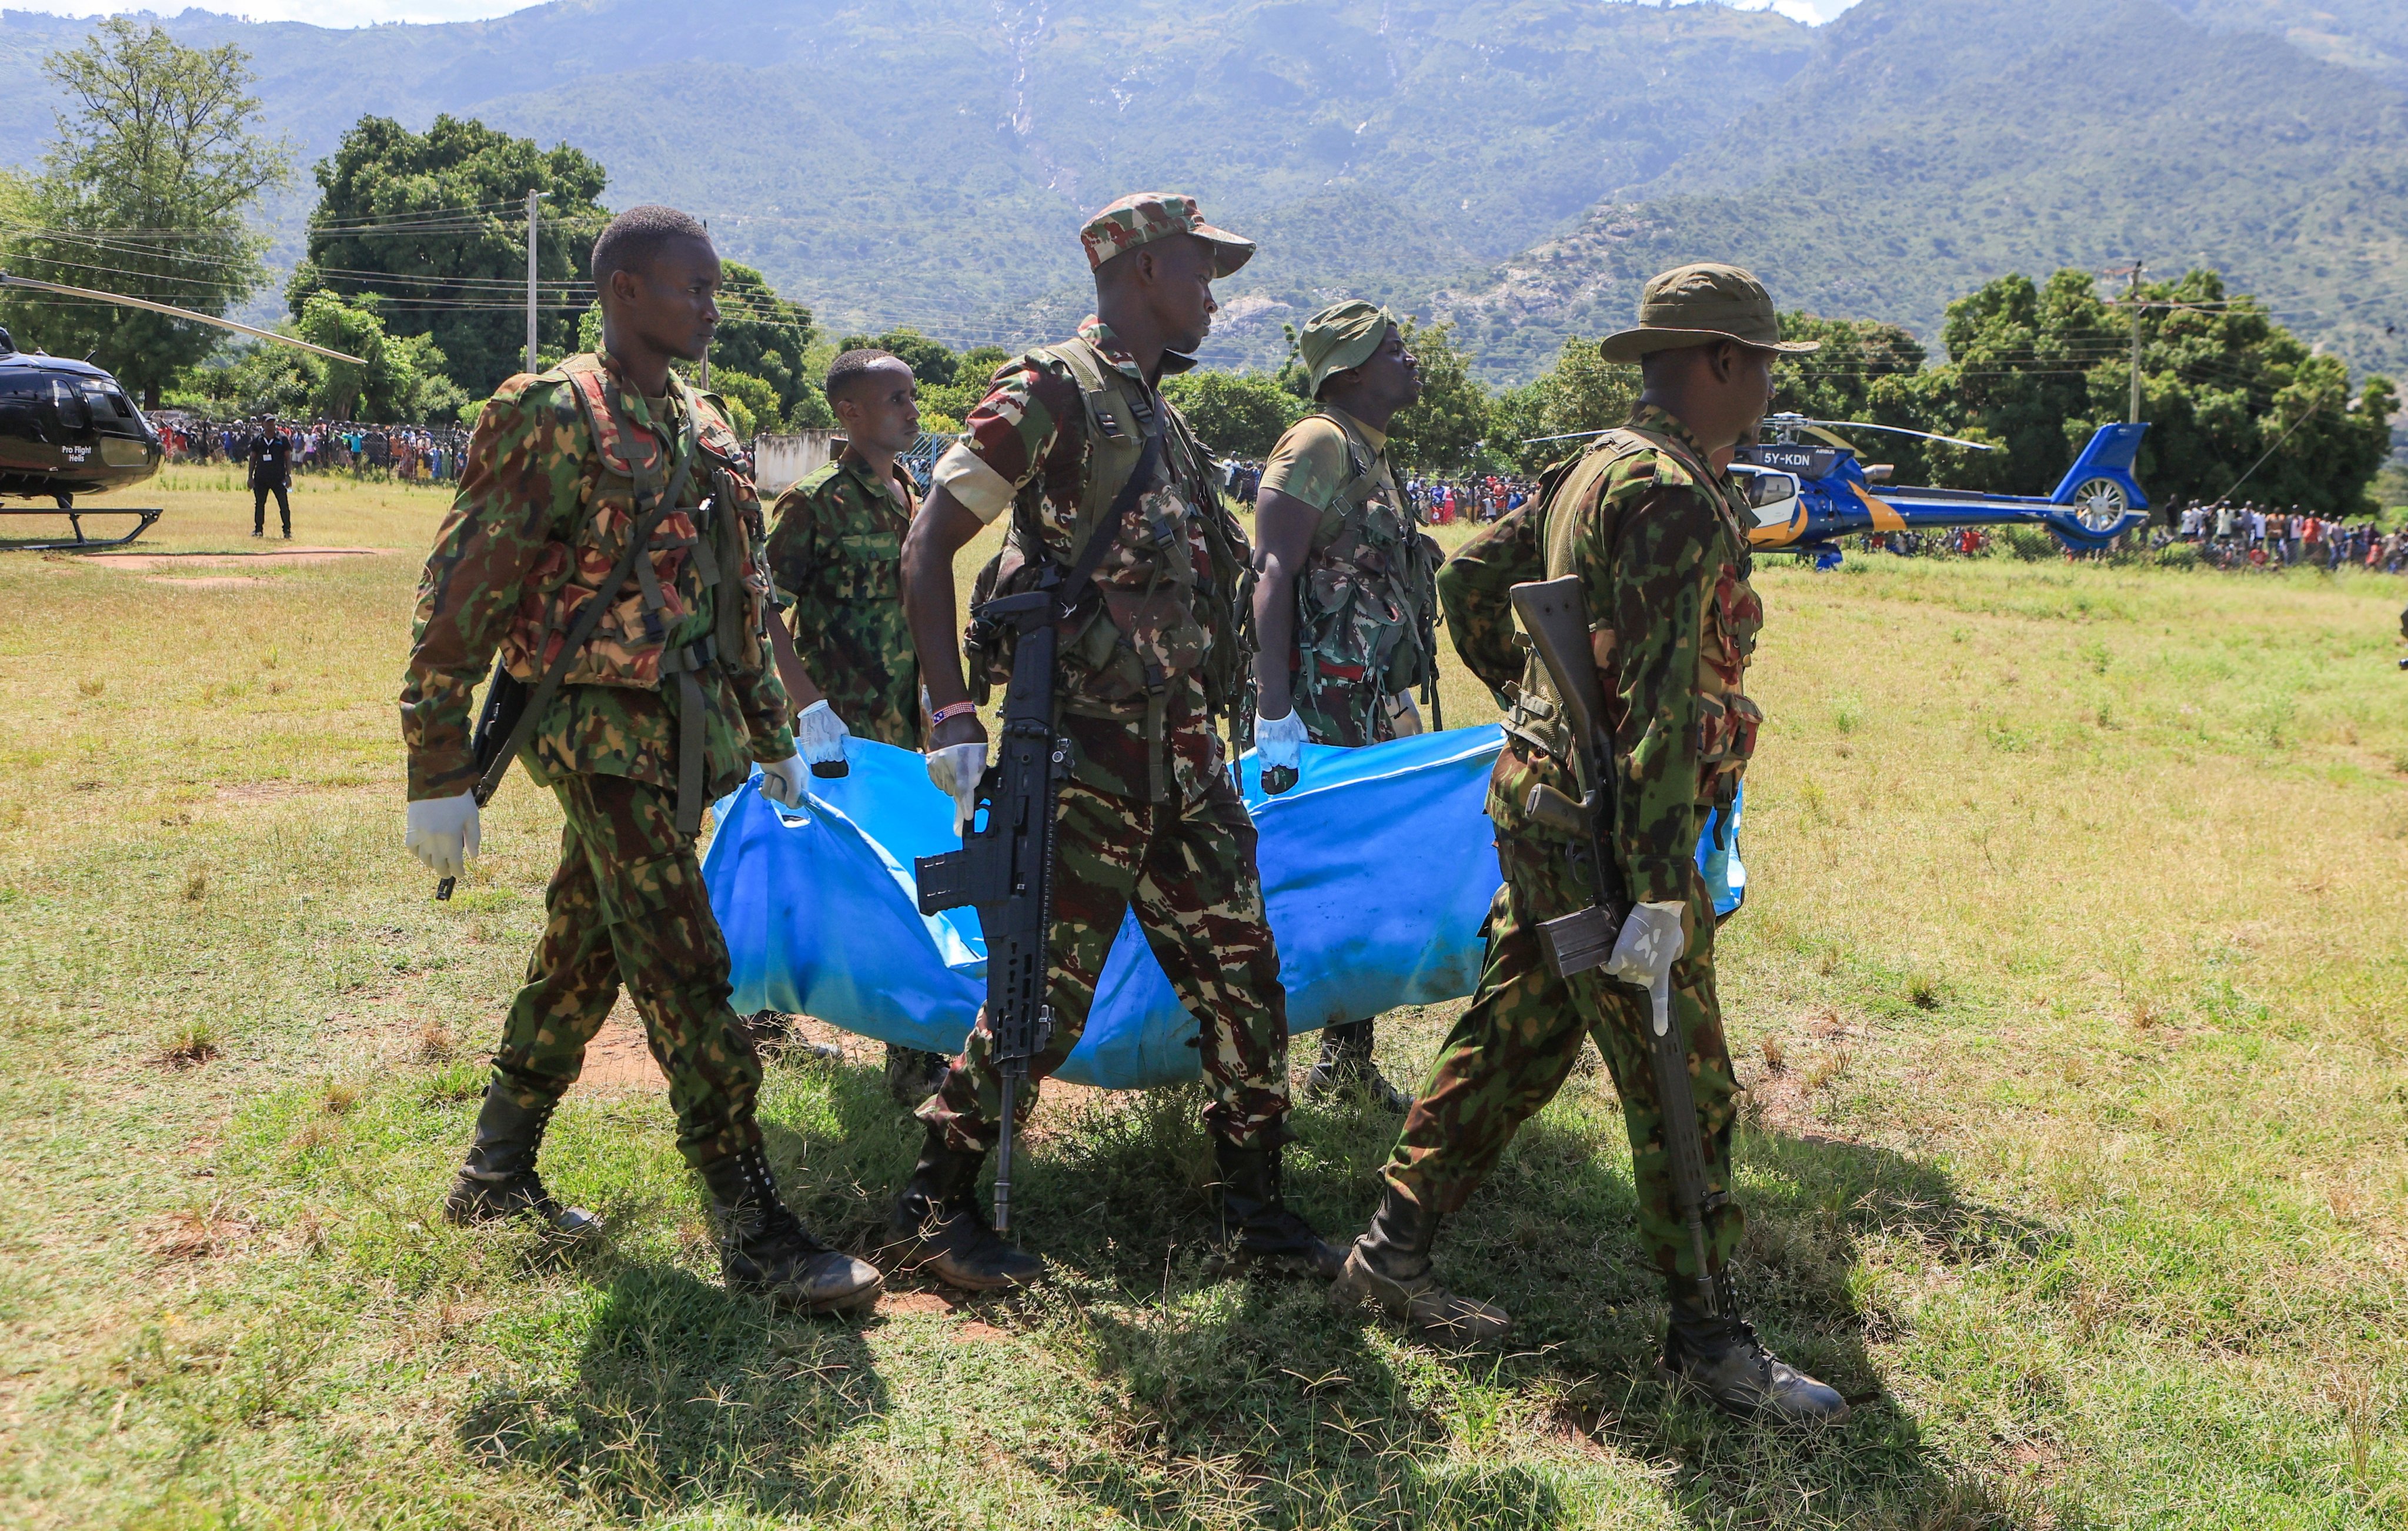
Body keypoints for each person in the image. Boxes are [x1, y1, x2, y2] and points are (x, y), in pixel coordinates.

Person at [1330, 262, 1849, 1425]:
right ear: (1715, 362)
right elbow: (1665, 713)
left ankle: (1387, 1252)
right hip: (1613, 832)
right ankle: (1712, 1340)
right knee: (1685, 1077)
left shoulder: (1594, 464)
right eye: (1759, 364)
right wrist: (1658, 895)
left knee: (1519, 1027)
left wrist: (1536, 707)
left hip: (1542, 802)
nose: (1766, 386)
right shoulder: (1667, 493)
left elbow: (1471, 579)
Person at [398, 205, 881, 1315]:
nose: (711, 307)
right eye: (690, 289)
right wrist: (436, 763)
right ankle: (754, 1219)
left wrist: (773, 738)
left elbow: (739, 598)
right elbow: (463, 587)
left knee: (588, 939)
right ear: (623, 290)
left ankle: (495, 1168)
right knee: (683, 960)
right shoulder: (552, 411)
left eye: (713, 290)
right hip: (593, 727)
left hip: (686, 731)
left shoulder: (707, 426)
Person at [891, 192, 1337, 1291]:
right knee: (1039, 1004)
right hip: (1086, 761)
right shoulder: (1049, 390)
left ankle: (1256, 1211)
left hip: (1188, 766)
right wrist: (952, 711)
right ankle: (932, 1207)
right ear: (1140, 270)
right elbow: (930, 540)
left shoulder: (1162, 419)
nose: (1211, 295)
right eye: (1199, 270)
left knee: (1246, 981)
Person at [1249, 300, 1440, 1113]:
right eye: (1393, 349)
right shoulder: (1319, 442)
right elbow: (1269, 570)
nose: (1411, 359)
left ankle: (1345, 1058)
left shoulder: (1374, 449)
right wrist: (1272, 710)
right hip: (1317, 710)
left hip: (1364, 703)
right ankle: (1254, 1063)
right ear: (1352, 369)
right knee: (1304, 879)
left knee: (1364, 876)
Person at [763, 346, 948, 1104]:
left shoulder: (915, 494)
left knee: (901, 875)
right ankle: (762, 1006)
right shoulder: (814, 501)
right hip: (834, 726)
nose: (911, 409)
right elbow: (761, 603)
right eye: (896, 398)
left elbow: (924, 604)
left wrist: (941, 702)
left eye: (911, 396)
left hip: (900, 722)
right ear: (850, 412)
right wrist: (805, 701)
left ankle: (911, 1052)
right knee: (807, 866)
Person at [247, 416, 293, 538]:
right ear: (262, 424)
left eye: (273, 423)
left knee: (284, 504)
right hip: (261, 478)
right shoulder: (258, 439)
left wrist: (289, 475)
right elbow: (253, 458)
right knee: (260, 504)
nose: (271, 425)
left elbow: (288, 458)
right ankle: (258, 530)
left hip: (279, 478)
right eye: (268, 423)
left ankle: (287, 530)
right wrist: (250, 477)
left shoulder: (282, 438)